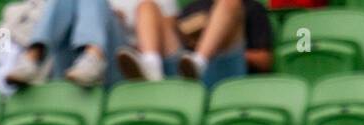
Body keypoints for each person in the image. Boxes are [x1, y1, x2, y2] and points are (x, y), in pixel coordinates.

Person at [5, 0, 180, 87]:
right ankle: (32, 58)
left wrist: (114, 21)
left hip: (123, 66)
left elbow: (169, 43)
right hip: (72, 64)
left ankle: (93, 56)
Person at [116, 0, 274, 84]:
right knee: (147, 6)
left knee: (229, 3)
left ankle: (199, 61)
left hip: (223, 67)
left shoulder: (252, 7)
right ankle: (151, 65)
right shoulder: (193, 7)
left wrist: (214, 42)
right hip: (184, 73)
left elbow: (265, 60)